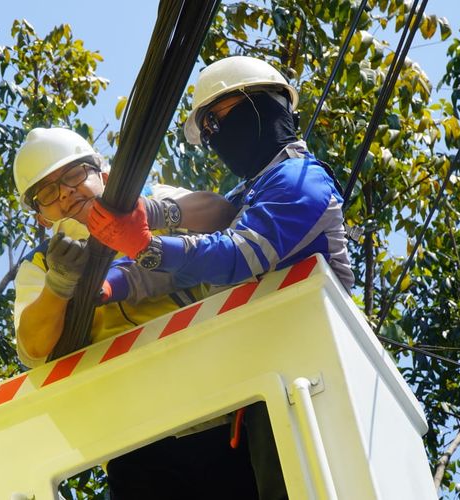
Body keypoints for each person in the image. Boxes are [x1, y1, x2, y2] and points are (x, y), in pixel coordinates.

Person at [86, 55, 356, 499]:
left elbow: (238, 254)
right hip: (263, 391)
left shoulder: (302, 180)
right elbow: (186, 259)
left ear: (261, 104)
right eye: (205, 129)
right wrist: (113, 282)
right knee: (142, 466)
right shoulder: (247, 196)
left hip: (315, 380)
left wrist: (147, 245)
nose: (213, 138)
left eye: (216, 119)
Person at [11, 127, 258, 499]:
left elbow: (223, 213)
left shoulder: (150, 203)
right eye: (47, 192)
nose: (64, 193)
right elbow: (33, 347)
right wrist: (60, 285)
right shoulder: (41, 266)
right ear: (41, 217)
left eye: (73, 175)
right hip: (135, 444)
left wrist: (153, 215)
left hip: (221, 411)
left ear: (102, 174)